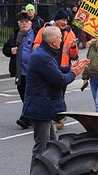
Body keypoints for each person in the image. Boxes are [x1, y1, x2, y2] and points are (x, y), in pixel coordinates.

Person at [19, 26, 89, 154]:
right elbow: (60, 80)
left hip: (43, 106)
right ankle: (37, 174)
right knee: (42, 147)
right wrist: (74, 73)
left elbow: (55, 70)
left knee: (53, 146)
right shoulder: (43, 56)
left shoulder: (45, 52)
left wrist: (71, 67)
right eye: (60, 38)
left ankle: (51, 172)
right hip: (40, 107)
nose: (62, 41)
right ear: (54, 41)